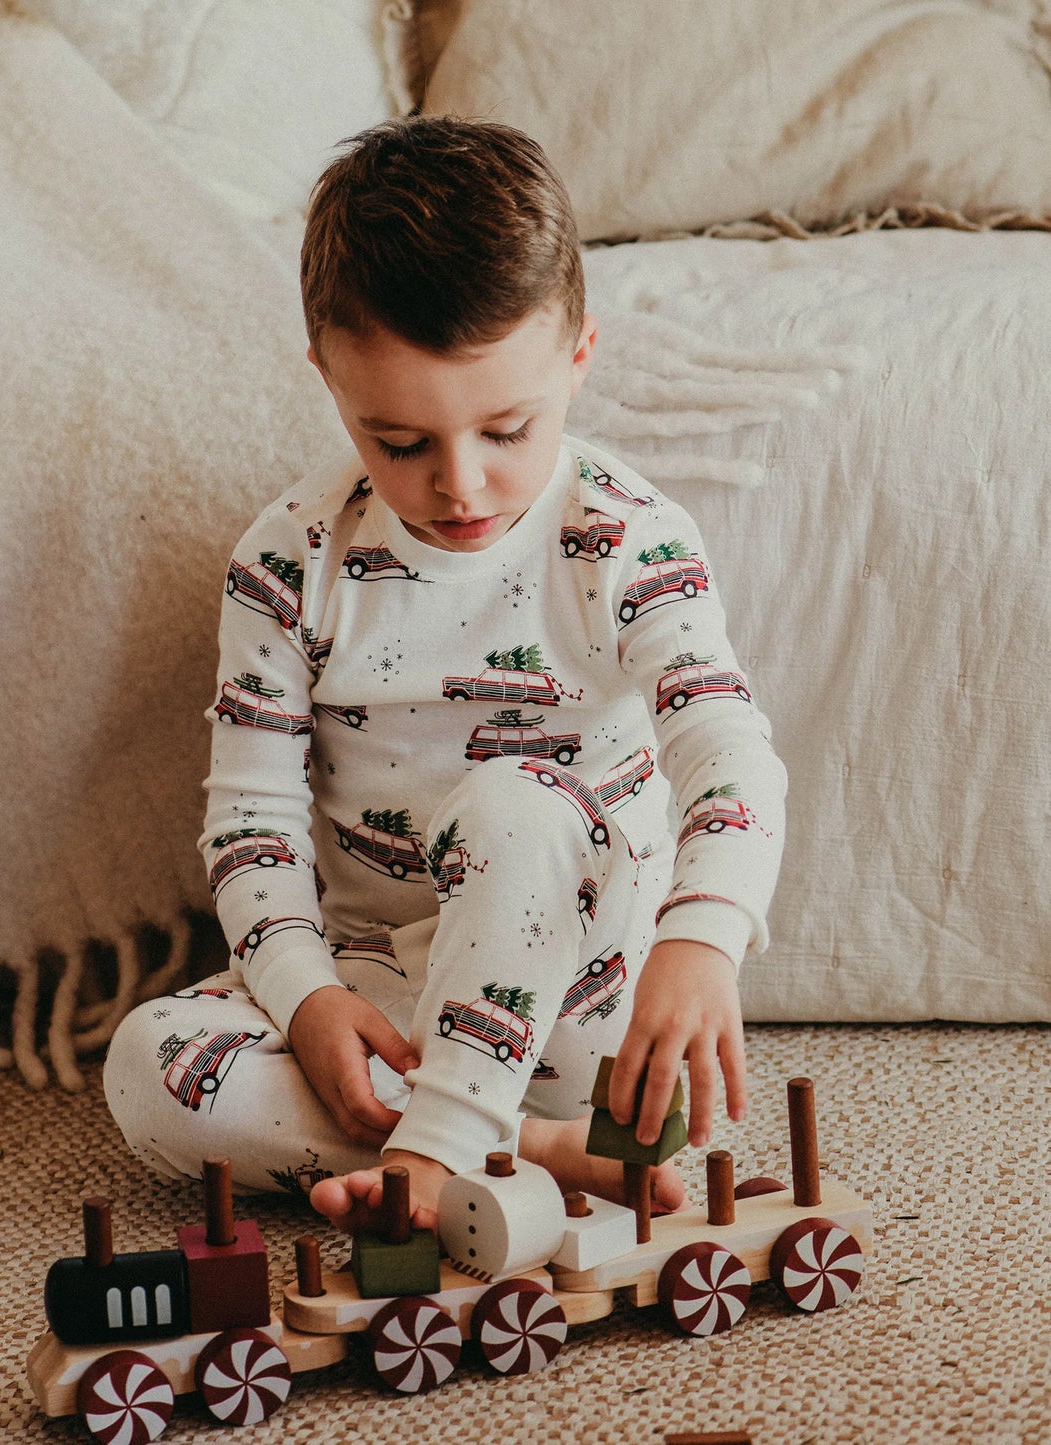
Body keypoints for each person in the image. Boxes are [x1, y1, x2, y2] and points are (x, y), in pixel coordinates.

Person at [104, 116, 786, 1237]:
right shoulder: (287, 562)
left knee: (520, 790)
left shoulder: (626, 539)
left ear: (577, 353)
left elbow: (728, 750)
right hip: (388, 1003)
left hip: (582, 1002)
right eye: (400, 443)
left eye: (506, 429)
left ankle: (438, 1156)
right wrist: (309, 998)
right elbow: (250, 826)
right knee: (152, 1067)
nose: (460, 486)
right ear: (325, 379)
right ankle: (535, 1153)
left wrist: (698, 941)